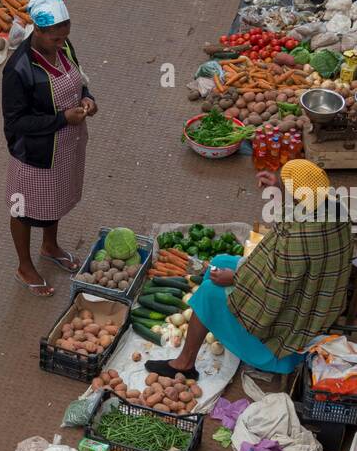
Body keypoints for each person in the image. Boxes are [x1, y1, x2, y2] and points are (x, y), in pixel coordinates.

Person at [150, 160, 353, 380]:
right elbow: (288, 236)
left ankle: (185, 363)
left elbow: (277, 286)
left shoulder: (300, 238)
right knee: (221, 260)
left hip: (287, 338)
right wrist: (278, 190)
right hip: (311, 290)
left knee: (208, 292)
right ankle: (212, 325)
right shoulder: (333, 206)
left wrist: (237, 278)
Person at [2, 0, 97, 298]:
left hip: (67, 144)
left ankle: (50, 245)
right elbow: (16, 123)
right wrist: (61, 119)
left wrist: (87, 99)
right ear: (38, 32)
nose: (62, 44)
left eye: (64, 37)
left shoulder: (64, 46)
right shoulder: (18, 70)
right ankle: (24, 265)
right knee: (24, 211)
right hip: (35, 155)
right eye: (55, 38)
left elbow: (79, 79)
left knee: (55, 199)